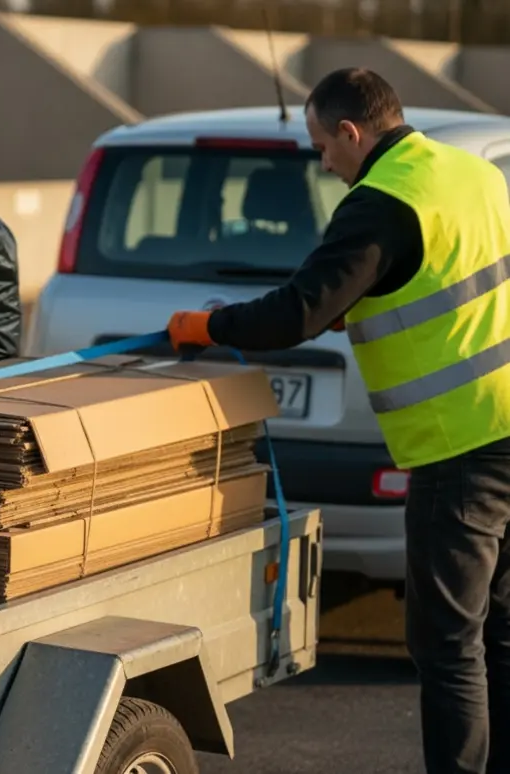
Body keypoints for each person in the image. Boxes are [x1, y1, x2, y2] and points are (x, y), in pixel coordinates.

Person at [165, 67, 510, 774]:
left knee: (447, 645)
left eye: (323, 147)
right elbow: (451, 277)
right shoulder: (474, 173)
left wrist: (206, 326)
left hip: (462, 448)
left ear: (352, 133)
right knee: (501, 632)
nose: (324, 163)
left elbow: (297, 312)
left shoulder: (381, 202)